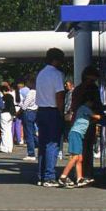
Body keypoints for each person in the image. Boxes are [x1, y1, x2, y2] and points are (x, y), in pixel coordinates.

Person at [59, 74, 104, 188]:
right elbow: (97, 117)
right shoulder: (84, 109)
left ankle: (79, 178)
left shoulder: (83, 109)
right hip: (76, 134)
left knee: (80, 158)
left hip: (78, 134)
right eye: (91, 102)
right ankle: (63, 176)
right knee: (74, 157)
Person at [34, 48, 67, 187]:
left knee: (42, 145)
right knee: (53, 144)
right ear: (56, 60)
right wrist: (62, 112)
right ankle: (49, 176)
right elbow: (59, 95)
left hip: (41, 110)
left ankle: (41, 176)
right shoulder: (57, 74)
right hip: (52, 111)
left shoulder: (40, 74)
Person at [19, 79, 38, 161]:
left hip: (28, 112)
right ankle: (38, 145)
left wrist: (20, 106)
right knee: (33, 132)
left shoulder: (31, 93)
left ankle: (31, 153)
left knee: (28, 133)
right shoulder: (38, 92)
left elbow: (25, 105)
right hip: (35, 111)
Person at [0, 83, 16, 154]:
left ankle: (4, 147)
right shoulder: (11, 97)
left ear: (3, 91)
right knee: (9, 131)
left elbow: (2, 106)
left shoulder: (4, 97)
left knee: (4, 131)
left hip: (4, 114)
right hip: (10, 114)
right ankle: (9, 147)